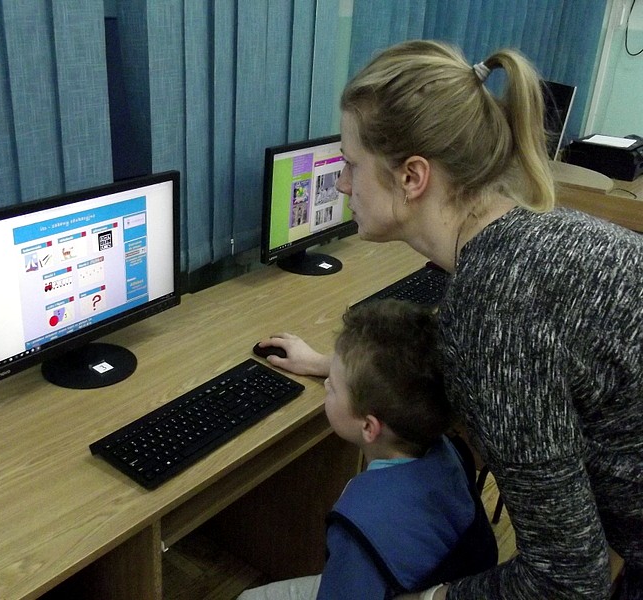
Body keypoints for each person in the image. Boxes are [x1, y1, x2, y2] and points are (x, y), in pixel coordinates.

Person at [257, 40, 643, 600]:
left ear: (412, 177)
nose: (341, 185)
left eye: (351, 165)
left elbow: (566, 582)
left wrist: (430, 599)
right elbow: (527, 361)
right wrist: (337, 366)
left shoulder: (495, 309)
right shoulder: (536, 232)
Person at [240, 300, 497, 600]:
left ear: (368, 427)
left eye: (334, 386)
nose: (326, 384)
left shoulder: (359, 526)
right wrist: (323, 365)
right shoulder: (449, 450)